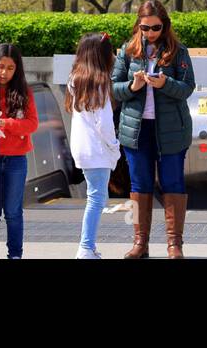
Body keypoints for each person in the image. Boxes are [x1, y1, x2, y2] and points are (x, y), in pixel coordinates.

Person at [112, 0, 195, 259]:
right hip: (136, 129)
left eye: (156, 28)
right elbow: (114, 87)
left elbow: (187, 87)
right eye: (145, 28)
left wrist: (165, 83)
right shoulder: (128, 50)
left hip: (170, 129)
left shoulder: (178, 51)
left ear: (165, 25)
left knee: (173, 182)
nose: (150, 33)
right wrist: (132, 87)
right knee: (139, 185)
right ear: (138, 25)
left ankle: (174, 244)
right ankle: (140, 242)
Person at [66, 32, 120, 259]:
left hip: (82, 149)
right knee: (97, 199)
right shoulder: (101, 84)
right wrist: (115, 146)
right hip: (97, 150)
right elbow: (105, 123)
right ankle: (86, 248)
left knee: (94, 197)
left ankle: (88, 247)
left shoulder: (75, 80)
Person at [0, 42, 37, 260]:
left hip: (16, 160)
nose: (4, 72)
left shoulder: (24, 92)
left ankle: (15, 255)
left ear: (17, 69)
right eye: (0, 66)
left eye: (10, 68)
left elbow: (32, 124)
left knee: (13, 213)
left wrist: (7, 124)